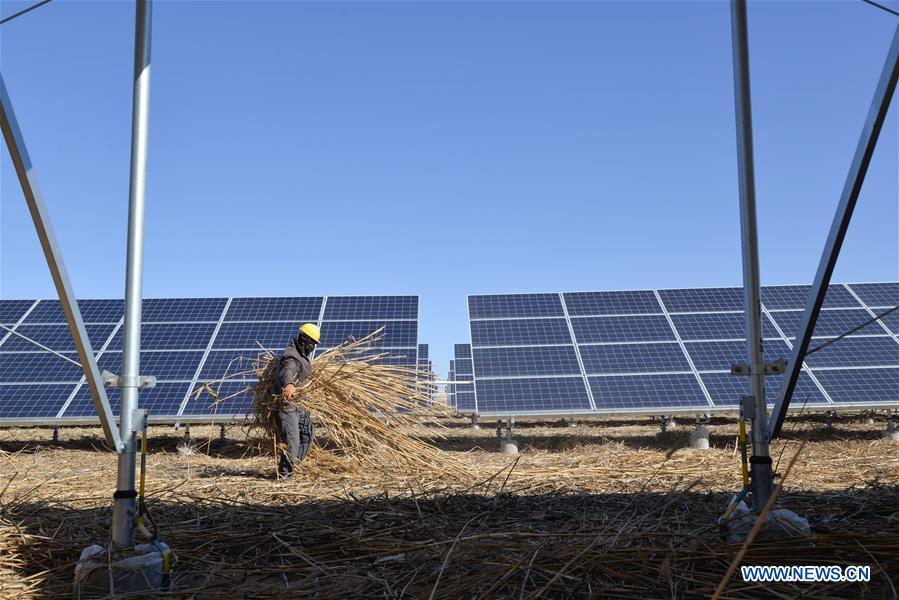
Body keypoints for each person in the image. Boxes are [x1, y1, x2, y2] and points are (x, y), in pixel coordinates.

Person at [275, 323, 320, 479]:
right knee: (292, 439)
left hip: (300, 403)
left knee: (307, 433)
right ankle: (285, 475)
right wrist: (289, 384)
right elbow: (288, 370)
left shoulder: (302, 355)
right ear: (304, 341)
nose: (313, 346)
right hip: (288, 405)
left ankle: (295, 466)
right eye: (312, 343)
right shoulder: (292, 355)